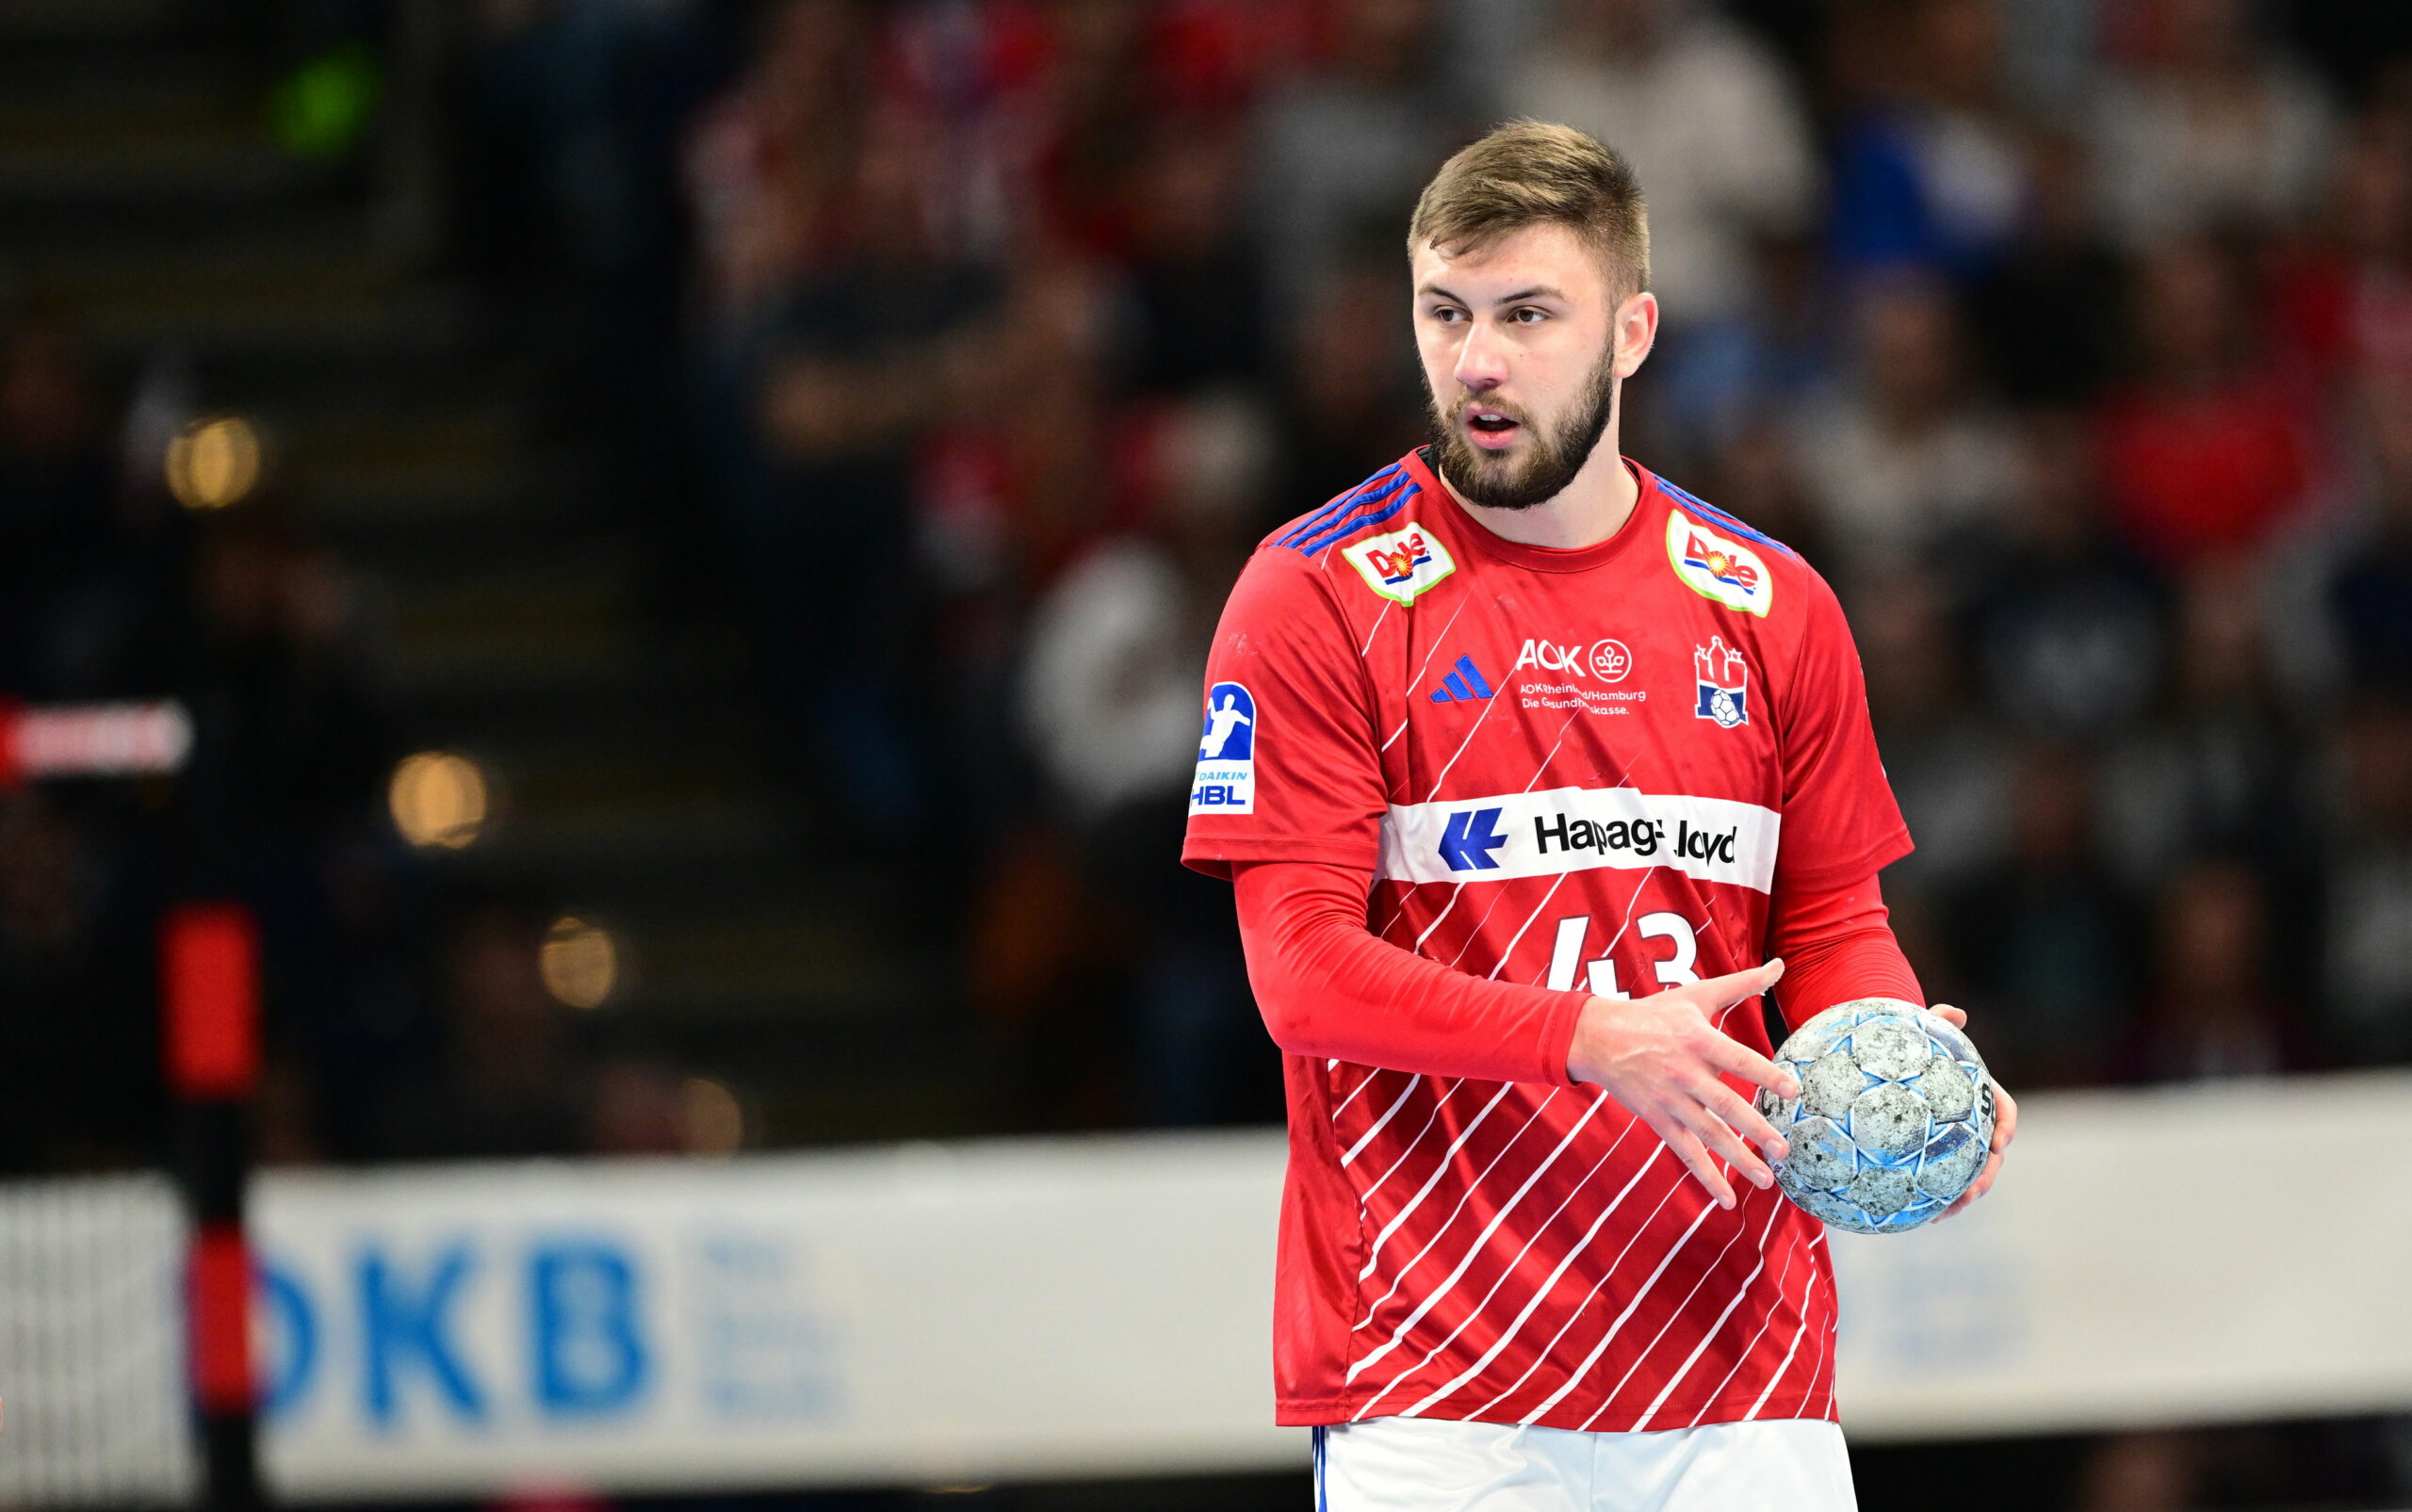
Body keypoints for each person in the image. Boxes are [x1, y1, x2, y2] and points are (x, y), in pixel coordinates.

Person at [1180, 122, 2016, 1510]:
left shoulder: (1774, 603)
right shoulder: (1315, 594)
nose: (1479, 361)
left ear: (1632, 331)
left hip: (1743, 1370)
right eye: (1445, 314)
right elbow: (1297, 971)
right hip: (1438, 1375)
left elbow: (1831, 922)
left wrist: (1897, 1046)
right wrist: (1589, 1038)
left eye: (1527, 315)